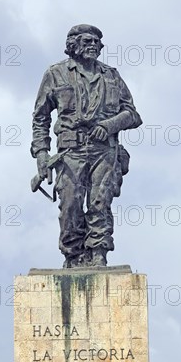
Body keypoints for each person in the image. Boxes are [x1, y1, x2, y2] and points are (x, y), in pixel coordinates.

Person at [31, 24, 142, 268]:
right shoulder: (56, 74)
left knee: (99, 203)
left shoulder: (111, 75)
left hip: (104, 150)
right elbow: (41, 118)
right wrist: (41, 155)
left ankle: (98, 254)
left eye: (96, 42)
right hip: (70, 151)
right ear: (73, 45)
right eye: (87, 41)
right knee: (70, 204)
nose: (94, 45)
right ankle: (73, 256)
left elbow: (132, 114)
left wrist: (111, 125)